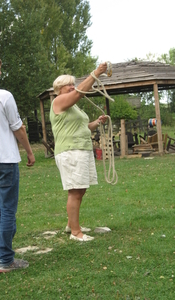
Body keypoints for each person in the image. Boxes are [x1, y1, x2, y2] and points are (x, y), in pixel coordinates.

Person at [0, 53, 35, 272]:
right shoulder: (4, 96)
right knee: (8, 208)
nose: (1, 73)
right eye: (0, 69)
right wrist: (29, 152)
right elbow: (18, 127)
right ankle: (6, 260)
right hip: (5, 159)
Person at [50, 63, 108, 242]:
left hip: (80, 149)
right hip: (70, 151)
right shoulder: (59, 101)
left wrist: (96, 123)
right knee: (75, 191)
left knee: (80, 189)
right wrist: (96, 73)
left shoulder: (73, 107)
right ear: (59, 89)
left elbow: (84, 127)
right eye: (68, 84)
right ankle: (76, 233)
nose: (72, 86)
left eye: (73, 83)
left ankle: (71, 225)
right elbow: (79, 92)